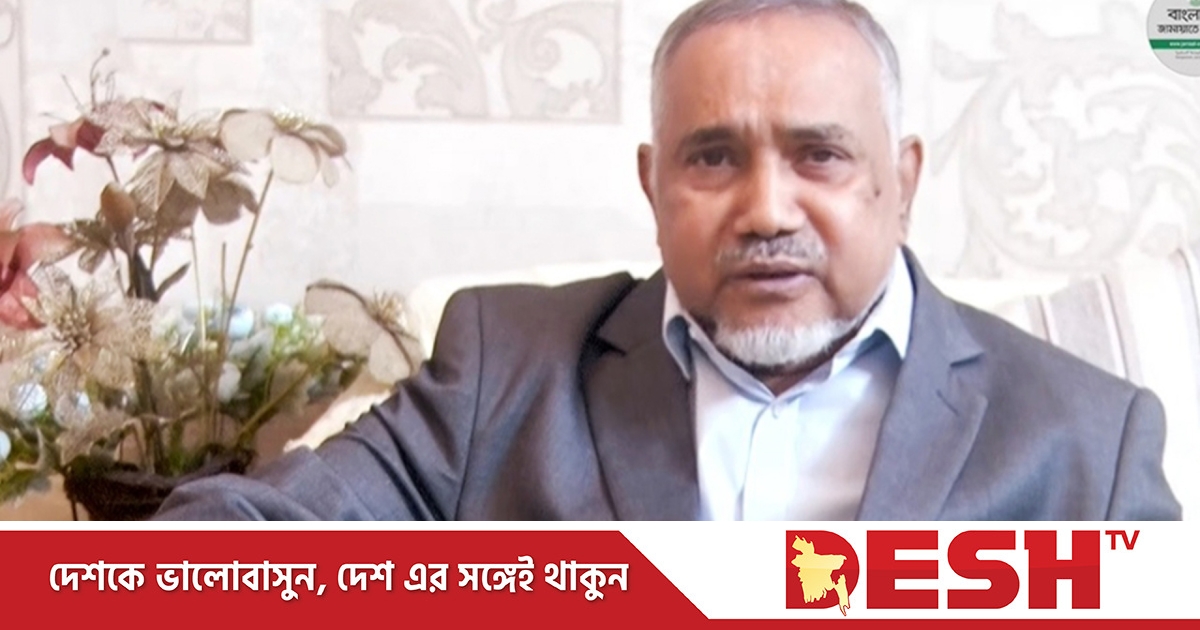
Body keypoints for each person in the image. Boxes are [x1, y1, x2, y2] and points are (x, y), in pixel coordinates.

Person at [156, 0, 1180, 521]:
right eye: (713, 158)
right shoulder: (503, 371)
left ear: (901, 181)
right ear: (653, 187)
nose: (766, 210)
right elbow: (230, 549)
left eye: (819, 155)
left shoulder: (1086, 437)